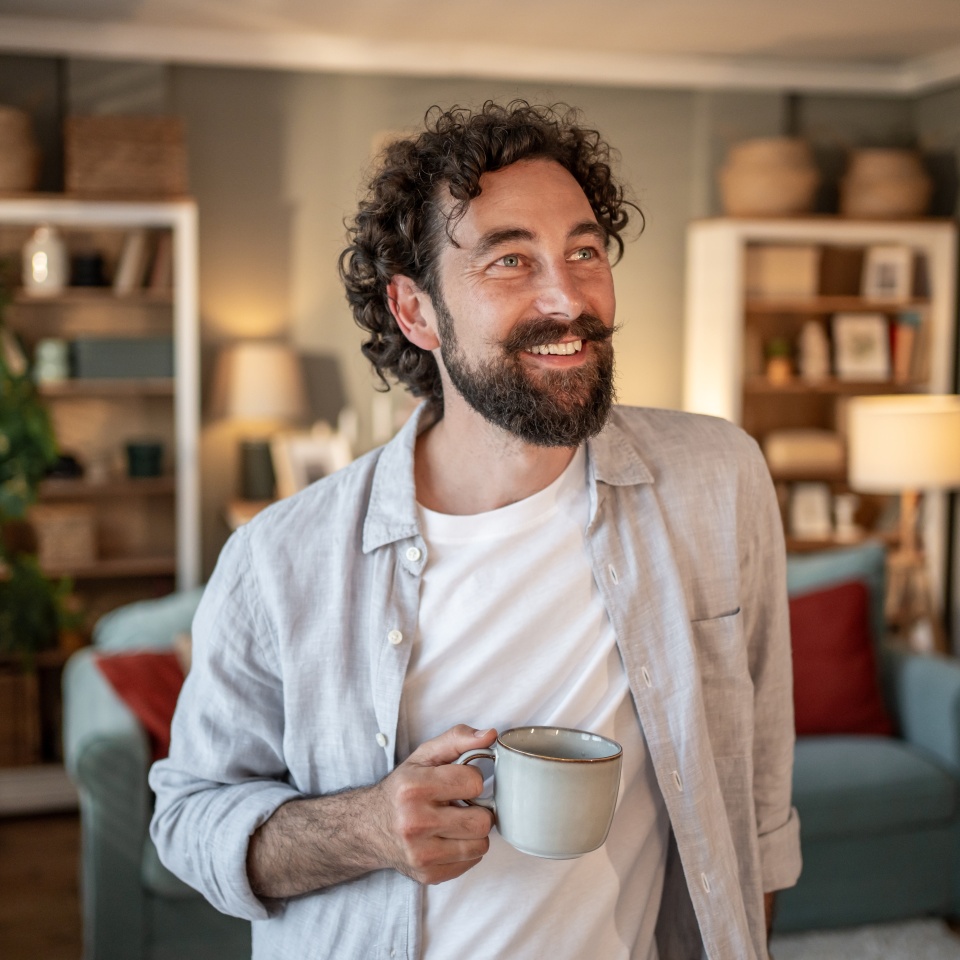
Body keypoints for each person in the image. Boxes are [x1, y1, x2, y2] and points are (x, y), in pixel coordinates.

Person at [150, 100, 801, 960]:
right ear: (417, 312)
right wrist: (369, 827)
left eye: (583, 250)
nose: (567, 296)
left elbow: (755, 806)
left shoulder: (716, 482)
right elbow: (190, 819)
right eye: (509, 259)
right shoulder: (280, 560)